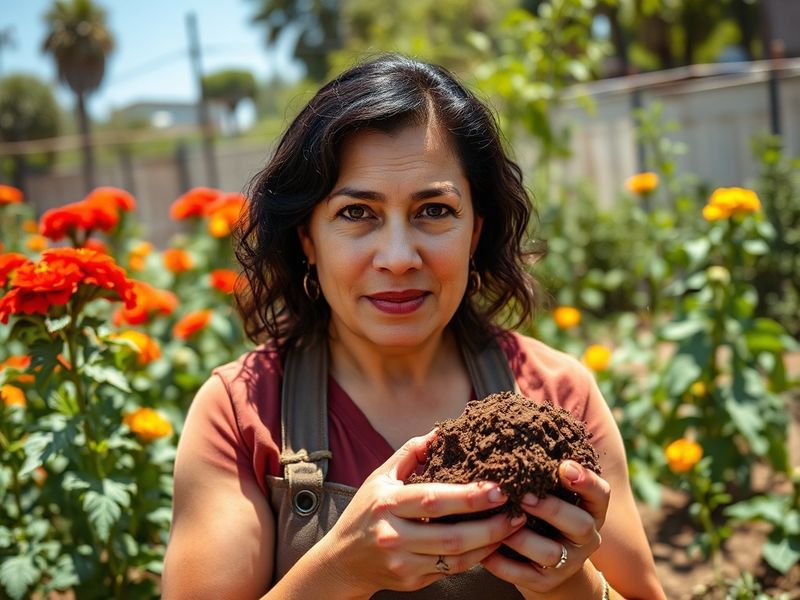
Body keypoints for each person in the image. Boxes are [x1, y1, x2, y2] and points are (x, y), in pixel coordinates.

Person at [162, 54, 665, 600]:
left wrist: (574, 583)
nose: (399, 257)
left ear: (476, 230)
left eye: (434, 210)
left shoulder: (560, 394)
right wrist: (342, 569)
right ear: (307, 238)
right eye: (357, 213)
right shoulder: (242, 414)